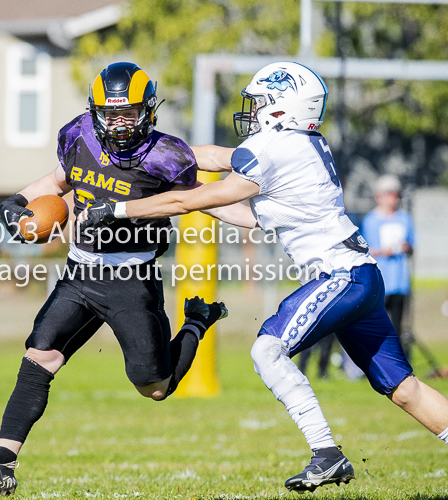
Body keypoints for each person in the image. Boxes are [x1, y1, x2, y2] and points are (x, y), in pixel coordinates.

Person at [80, 61, 448, 492]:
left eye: (258, 103)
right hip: (361, 277)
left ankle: (326, 453)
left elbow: (208, 190)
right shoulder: (298, 145)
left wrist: (119, 207)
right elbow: (235, 203)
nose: (252, 111)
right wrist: (165, 172)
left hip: (340, 276)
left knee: (267, 350)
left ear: (281, 106)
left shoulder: (276, 147)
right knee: (404, 389)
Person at [0, 62, 228, 498]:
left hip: (132, 281)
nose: (118, 124)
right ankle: (0, 466)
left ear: (148, 111)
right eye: (110, 114)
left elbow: (203, 199)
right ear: (95, 111)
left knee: (155, 388)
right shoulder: (79, 134)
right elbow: (60, 180)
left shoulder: (164, 155)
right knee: (40, 355)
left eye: (128, 113)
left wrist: (257, 214)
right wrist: (20, 199)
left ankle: (196, 322)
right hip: (80, 272)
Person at [361, 174, 415, 357]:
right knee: (377, 327)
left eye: (396, 194)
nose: (394, 198)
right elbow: (364, 251)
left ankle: (398, 363)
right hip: (380, 282)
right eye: (390, 194)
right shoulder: (370, 220)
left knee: (398, 327)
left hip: (400, 281)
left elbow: (412, 246)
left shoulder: (405, 218)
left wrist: (406, 247)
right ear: (379, 196)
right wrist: (385, 251)